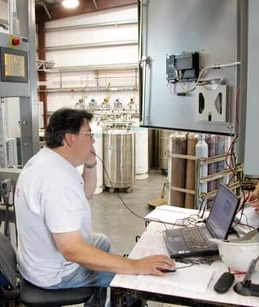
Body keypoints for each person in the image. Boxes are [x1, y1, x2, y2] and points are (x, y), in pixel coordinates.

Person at [14, 108, 175, 306]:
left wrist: (90, 164)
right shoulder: (57, 181)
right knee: (134, 281)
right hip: (56, 274)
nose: (93, 140)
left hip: (36, 260)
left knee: (101, 242)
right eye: (89, 134)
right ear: (70, 139)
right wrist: (135, 266)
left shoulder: (47, 160)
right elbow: (72, 250)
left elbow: (86, 194)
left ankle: (95, 302)